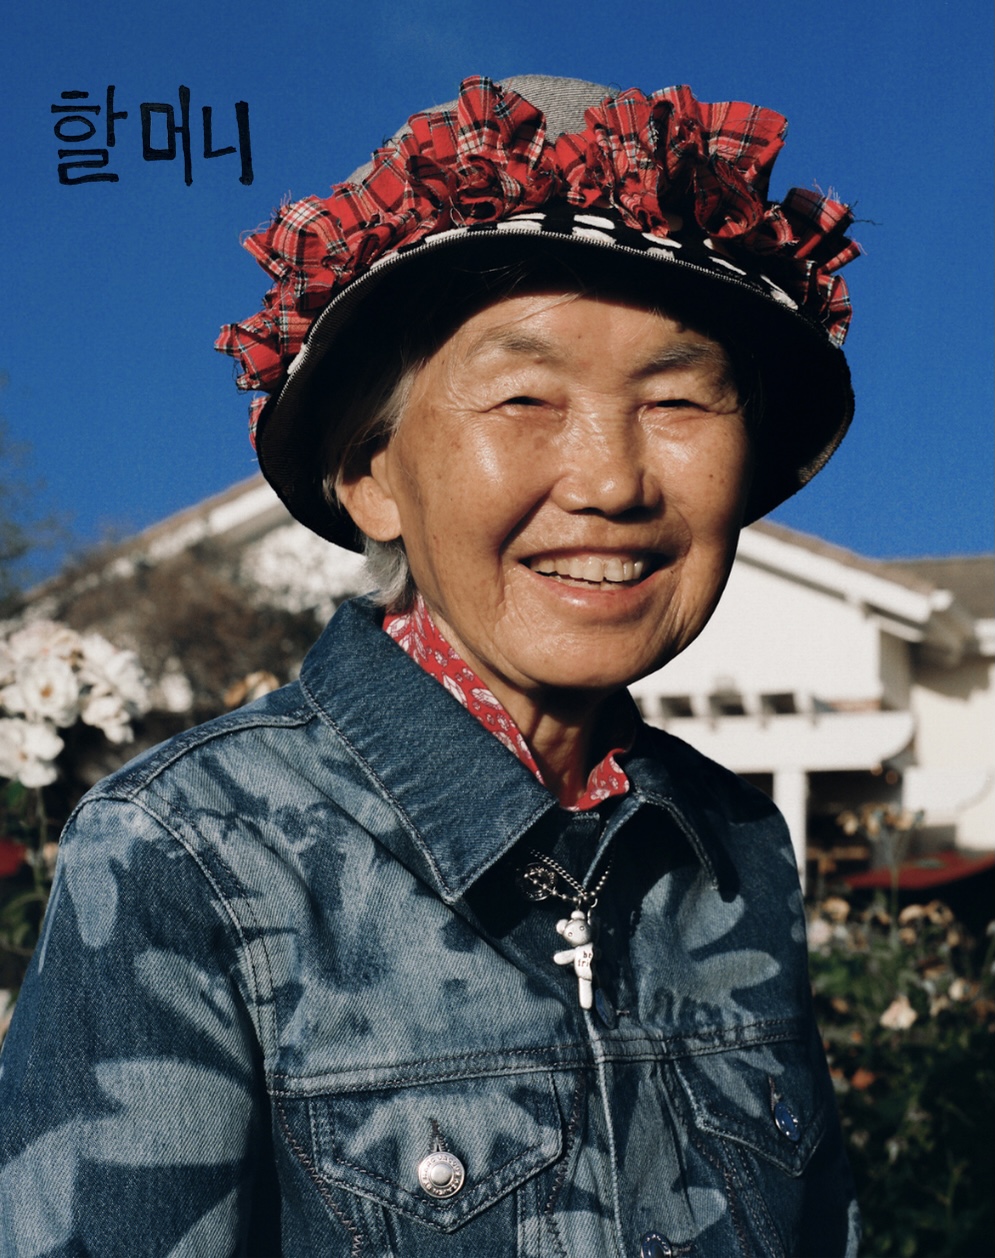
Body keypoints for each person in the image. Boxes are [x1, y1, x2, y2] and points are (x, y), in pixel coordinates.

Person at [0, 75, 862, 1256]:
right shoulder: (195, 854)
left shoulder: (737, 849)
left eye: (676, 398)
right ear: (372, 476)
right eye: (522, 395)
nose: (611, 480)